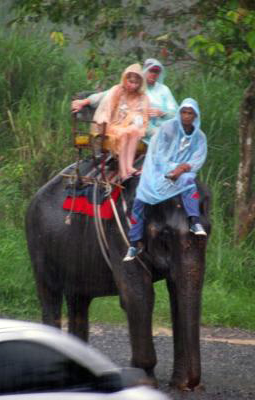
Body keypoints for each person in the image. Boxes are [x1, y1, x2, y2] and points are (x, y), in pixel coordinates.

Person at [123, 98, 207, 262]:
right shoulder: (168, 129)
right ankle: (134, 243)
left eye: (190, 113)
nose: (186, 116)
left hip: (183, 172)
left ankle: (194, 221)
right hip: (159, 170)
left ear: (195, 116)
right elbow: (159, 154)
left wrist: (181, 169)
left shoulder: (200, 137)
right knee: (141, 198)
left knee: (189, 182)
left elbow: (198, 158)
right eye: (183, 112)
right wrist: (171, 169)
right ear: (179, 113)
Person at [71, 58, 178, 145]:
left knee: (169, 134)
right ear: (145, 71)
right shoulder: (136, 86)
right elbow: (105, 95)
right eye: (151, 71)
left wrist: (162, 113)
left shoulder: (164, 90)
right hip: (139, 125)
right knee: (156, 133)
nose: (154, 74)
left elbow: (176, 113)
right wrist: (84, 101)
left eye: (157, 72)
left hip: (158, 124)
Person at [91, 63, 150, 181]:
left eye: (136, 83)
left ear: (140, 84)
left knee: (134, 130)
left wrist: (135, 120)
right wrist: (103, 120)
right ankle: (123, 172)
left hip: (128, 126)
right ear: (125, 79)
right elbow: (106, 108)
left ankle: (129, 166)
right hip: (112, 125)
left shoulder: (141, 97)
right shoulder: (117, 90)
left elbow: (142, 116)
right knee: (124, 133)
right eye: (130, 81)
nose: (132, 85)